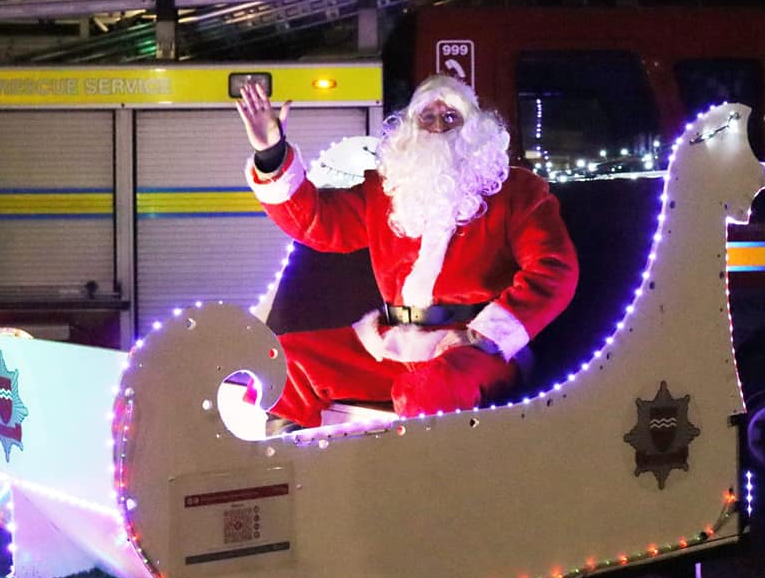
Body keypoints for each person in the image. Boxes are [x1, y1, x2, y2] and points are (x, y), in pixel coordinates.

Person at [234, 74, 578, 432]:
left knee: (432, 390)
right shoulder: (386, 191)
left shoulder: (517, 191)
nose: (438, 127)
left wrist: (484, 335)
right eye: (426, 118)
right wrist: (271, 153)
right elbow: (317, 222)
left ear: (475, 127)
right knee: (281, 364)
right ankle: (292, 464)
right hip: (393, 343)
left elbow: (554, 269)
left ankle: (417, 483)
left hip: (474, 349)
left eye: (450, 117)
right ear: (410, 128)